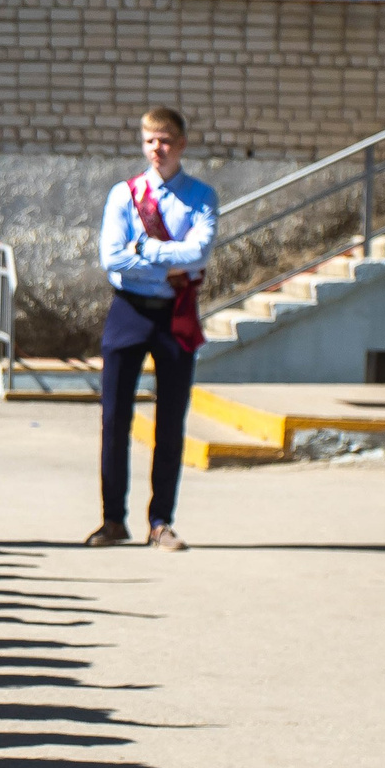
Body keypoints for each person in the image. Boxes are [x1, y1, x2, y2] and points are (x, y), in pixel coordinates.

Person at [88, 106, 214, 551]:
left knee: (170, 420)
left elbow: (199, 254)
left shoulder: (201, 196)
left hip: (174, 314)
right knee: (114, 418)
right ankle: (112, 520)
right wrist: (167, 257)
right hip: (128, 311)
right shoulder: (124, 195)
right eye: (149, 141)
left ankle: (161, 521)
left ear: (181, 144)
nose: (156, 149)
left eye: (164, 140)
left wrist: (144, 248)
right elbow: (112, 259)